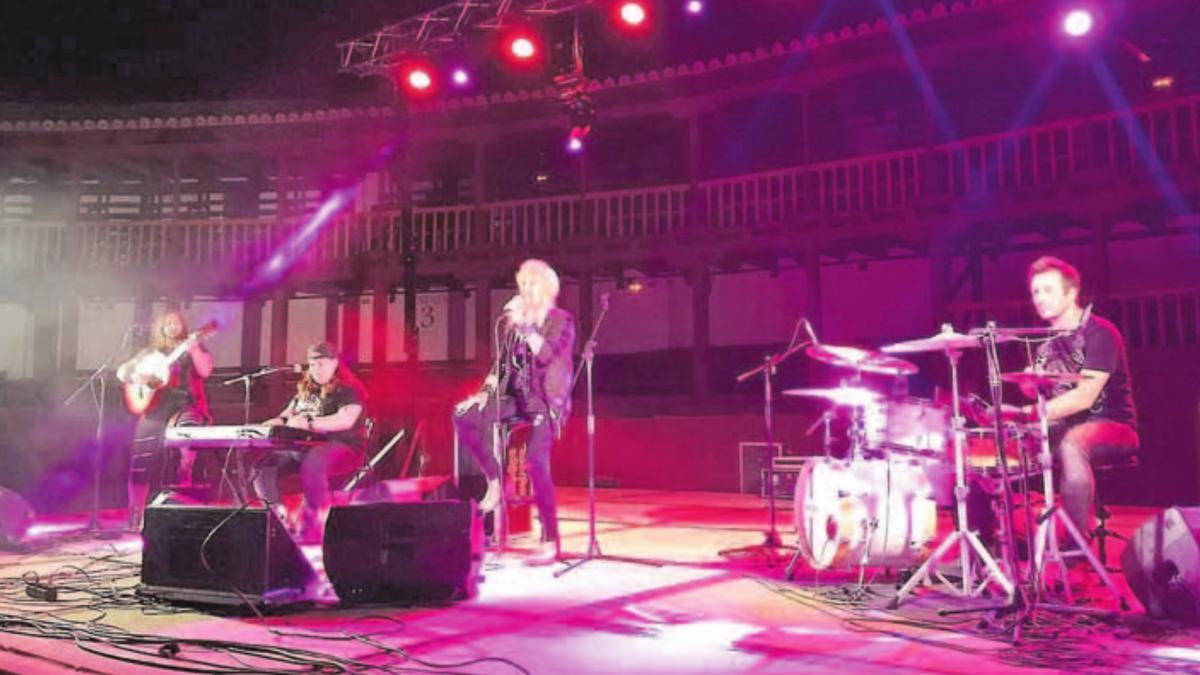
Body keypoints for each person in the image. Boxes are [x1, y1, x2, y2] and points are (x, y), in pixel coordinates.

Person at [454, 259, 576, 565]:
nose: (525, 290)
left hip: (546, 402)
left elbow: (546, 354)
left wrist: (525, 324)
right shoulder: (512, 327)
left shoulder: (561, 320)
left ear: (547, 287)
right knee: (464, 417)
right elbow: (501, 366)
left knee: (536, 463)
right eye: (522, 284)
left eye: (531, 284)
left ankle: (550, 539)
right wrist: (483, 393)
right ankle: (496, 482)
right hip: (514, 398)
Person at [1019, 256, 1139, 538]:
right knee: (997, 443)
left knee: (1074, 444)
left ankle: (1077, 549)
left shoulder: (1100, 332)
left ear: (1071, 292)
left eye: (1048, 290)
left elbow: (1084, 397)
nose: (1039, 299)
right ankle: (998, 544)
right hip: (1064, 426)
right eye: (1035, 292)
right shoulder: (1045, 342)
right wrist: (1029, 386)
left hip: (1114, 426)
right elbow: (1044, 393)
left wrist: (1028, 414)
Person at [255, 341, 367, 543]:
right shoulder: (307, 389)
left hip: (344, 447)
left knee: (315, 461)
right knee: (262, 466)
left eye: (321, 364)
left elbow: (345, 420)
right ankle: (279, 520)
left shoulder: (349, 388)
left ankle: (315, 527)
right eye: (312, 365)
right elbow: (287, 416)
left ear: (335, 363)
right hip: (304, 448)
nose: (316, 369)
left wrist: (309, 423)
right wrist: (269, 424)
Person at [116, 311, 213, 531]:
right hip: (155, 407)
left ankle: (184, 477)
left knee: (188, 438)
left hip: (186, 404)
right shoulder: (150, 353)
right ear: (160, 327)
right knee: (141, 459)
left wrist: (195, 347)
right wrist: (137, 377)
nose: (172, 326)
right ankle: (136, 514)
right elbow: (122, 372)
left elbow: (206, 371)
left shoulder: (192, 348)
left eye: (176, 322)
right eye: (167, 323)